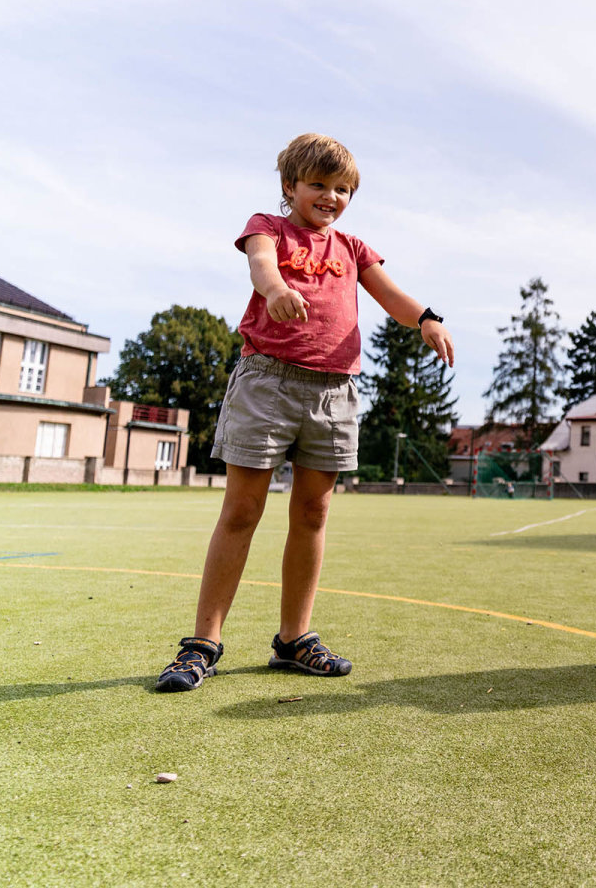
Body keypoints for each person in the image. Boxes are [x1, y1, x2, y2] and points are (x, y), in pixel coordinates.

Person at [155, 134, 454, 692]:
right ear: (290, 186)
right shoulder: (268, 227)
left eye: (343, 189)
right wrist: (274, 291)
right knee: (242, 511)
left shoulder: (354, 248)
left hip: (335, 390)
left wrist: (428, 319)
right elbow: (261, 267)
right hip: (267, 380)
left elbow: (392, 295)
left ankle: (295, 638)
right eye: (318, 185)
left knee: (313, 513)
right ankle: (202, 643)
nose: (331, 197)